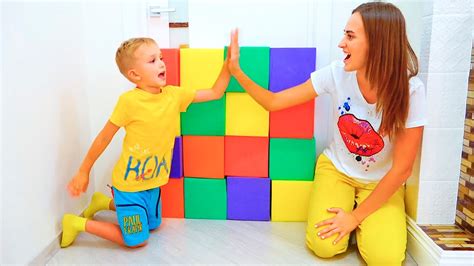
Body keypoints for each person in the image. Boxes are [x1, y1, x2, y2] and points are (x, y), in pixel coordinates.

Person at [227, 2, 425, 265]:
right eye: (345, 34)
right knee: (324, 246)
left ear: (378, 43)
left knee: (386, 259)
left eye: (350, 36)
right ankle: (354, 217)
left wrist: (354, 218)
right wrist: (237, 72)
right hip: (338, 172)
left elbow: (401, 170)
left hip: (381, 181)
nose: (342, 43)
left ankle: (359, 217)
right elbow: (274, 103)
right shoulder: (337, 74)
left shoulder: (411, 90)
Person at [61, 37, 231, 248]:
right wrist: (83, 170)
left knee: (154, 225)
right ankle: (77, 223)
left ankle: (102, 202)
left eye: (161, 58)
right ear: (134, 74)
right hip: (130, 186)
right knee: (137, 240)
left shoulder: (174, 95)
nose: (161, 63)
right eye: (152, 60)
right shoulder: (129, 102)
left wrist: (228, 66)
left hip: (153, 184)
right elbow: (104, 137)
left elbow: (215, 92)